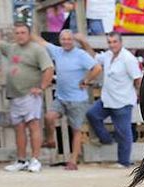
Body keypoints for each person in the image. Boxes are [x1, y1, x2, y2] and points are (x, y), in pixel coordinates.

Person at [0, 22, 54, 173]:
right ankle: (21, 160)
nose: (20, 35)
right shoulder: (11, 48)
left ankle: (36, 160)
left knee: (33, 126)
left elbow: (49, 68)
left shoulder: (37, 50)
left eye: (23, 32)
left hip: (30, 94)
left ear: (29, 34)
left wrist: (42, 87)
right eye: (17, 33)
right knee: (18, 128)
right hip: (14, 95)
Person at [32, 31, 102, 171]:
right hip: (61, 97)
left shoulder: (80, 54)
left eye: (69, 39)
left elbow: (97, 68)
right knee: (49, 117)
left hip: (77, 99)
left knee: (76, 130)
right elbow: (41, 42)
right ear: (60, 40)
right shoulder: (57, 51)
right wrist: (29, 29)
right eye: (63, 39)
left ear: (73, 41)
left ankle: (73, 161)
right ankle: (51, 139)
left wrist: (87, 80)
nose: (66, 41)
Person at [82, 32, 142, 168]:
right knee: (92, 114)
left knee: (123, 133)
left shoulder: (128, 59)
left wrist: (140, 96)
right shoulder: (108, 55)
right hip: (107, 99)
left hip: (123, 101)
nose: (112, 45)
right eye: (109, 42)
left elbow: (138, 79)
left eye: (114, 42)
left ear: (120, 42)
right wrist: (84, 43)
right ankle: (107, 140)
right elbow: (95, 57)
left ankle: (124, 161)